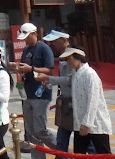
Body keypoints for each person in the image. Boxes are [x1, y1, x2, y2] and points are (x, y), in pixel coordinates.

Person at [11, 23, 56, 159]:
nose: (26, 40)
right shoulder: (26, 50)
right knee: (30, 132)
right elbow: (26, 67)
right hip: (28, 92)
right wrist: (19, 68)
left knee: (40, 130)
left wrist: (31, 69)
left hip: (41, 94)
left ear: (34, 34)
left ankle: (61, 150)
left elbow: (50, 70)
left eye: (27, 37)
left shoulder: (44, 49)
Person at [39, 30, 73, 159]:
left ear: (64, 40)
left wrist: (49, 79)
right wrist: (49, 82)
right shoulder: (63, 56)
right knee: (62, 139)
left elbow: (69, 79)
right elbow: (63, 79)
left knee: (85, 140)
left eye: (55, 42)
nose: (53, 45)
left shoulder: (71, 55)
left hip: (74, 103)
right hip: (66, 103)